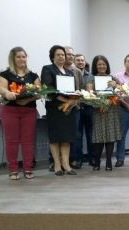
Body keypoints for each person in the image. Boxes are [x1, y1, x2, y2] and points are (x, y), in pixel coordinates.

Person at [0, 47, 40, 180]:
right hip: (10, 110)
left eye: (23, 56)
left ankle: (28, 168)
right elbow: (1, 88)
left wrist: (27, 99)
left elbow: (39, 92)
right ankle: (13, 170)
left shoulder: (33, 75)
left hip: (29, 111)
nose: (21, 59)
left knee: (28, 141)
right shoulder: (5, 74)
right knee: (11, 141)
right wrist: (7, 93)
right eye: (18, 57)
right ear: (13, 58)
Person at [41, 45, 78, 176]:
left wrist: (74, 99)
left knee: (66, 138)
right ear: (53, 57)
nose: (61, 57)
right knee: (55, 138)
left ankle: (66, 164)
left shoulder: (69, 72)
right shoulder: (48, 69)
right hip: (54, 109)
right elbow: (48, 89)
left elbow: (73, 91)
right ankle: (57, 165)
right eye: (58, 55)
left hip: (68, 110)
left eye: (63, 54)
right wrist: (65, 100)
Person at [90, 55, 121, 171]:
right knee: (98, 137)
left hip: (111, 111)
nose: (102, 66)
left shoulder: (113, 79)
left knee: (110, 137)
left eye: (104, 64)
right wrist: (100, 103)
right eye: (99, 64)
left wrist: (116, 87)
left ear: (107, 66)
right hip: (98, 111)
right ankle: (97, 162)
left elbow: (119, 93)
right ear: (95, 66)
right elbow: (89, 95)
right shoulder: (91, 79)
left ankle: (109, 162)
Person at [64, 47, 84, 169]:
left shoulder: (77, 71)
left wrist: (76, 101)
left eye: (72, 54)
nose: (70, 56)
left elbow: (81, 88)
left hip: (75, 107)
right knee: (60, 135)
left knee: (76, 135)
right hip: (59, 106)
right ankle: (57, 160)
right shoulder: (55, 70)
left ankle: (75, 159)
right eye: (68, 54)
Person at [74, 53, 95, 166]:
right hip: (76, 107)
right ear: (74, 62)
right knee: (77, 136)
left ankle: (91, 158)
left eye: (82, 60)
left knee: (90, 134)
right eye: (78, 60)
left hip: (88, 107)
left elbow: (90, 91)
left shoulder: (90, 76)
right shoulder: (70, 74)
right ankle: (78, 159)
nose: (80, 62)